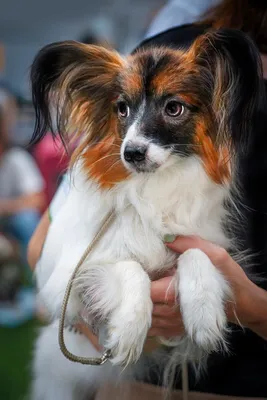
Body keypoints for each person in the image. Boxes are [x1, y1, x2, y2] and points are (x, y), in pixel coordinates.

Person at [28, 0, 267, 397]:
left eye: (172, 108)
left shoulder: (205, 61)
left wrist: (251, 307)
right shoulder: (168, 46)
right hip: (132, 386)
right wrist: (115, 301)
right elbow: (44, 251)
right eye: (123, 109)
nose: (133, 137)